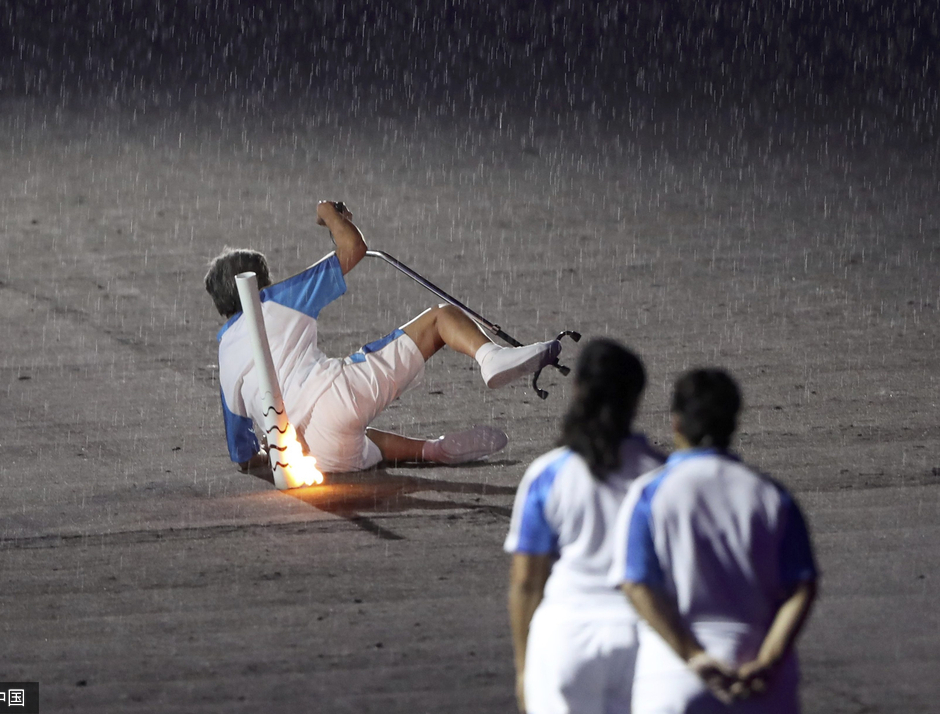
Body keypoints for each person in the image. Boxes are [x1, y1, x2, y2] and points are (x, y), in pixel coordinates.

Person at [205, 200, 562, 473]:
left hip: (313, 455)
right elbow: (353, 249)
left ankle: (430, 450)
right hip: (338, 396)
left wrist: (279, 452)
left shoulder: (224, 357)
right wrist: (330, 214)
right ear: (262, 282)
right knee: (438, 319)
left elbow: (243, 455)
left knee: (351, 432)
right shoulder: (276, 299)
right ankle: (490, 358)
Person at [610, 368, 818, 713]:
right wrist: (767, 659)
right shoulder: (770, 495)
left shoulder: (650, 493)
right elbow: (801, 588)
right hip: (760, 685)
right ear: (734, 423)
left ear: (676, 423)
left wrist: (693, 656)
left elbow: (637, 585)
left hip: (673, 679)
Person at [505, 338, 666, 714]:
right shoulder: (663, 475)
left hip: (564, 639)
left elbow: (526, 583)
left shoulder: (548, 475)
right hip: (641, 639)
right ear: (636, 397)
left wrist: (523, 668)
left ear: (577, 391)